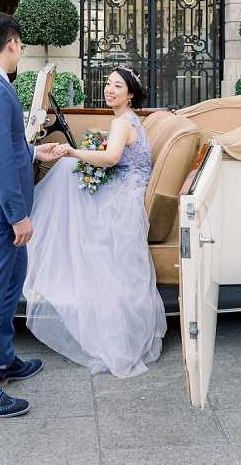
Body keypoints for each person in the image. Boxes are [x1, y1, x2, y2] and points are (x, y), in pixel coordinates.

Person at [24, 67, 167, 377]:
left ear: (130, 94)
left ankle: (45, 249)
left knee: (64, 173)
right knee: (67, 174)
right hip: (128, 187)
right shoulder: (129, 120)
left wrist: (74, 151)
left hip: (126, 197)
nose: (110, 90)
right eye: (108, 84)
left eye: (118, 86)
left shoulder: (122, 122)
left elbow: (113, 158)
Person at [0, 13, 63, 418]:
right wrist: (19, 216)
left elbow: (1, 147)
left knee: (8, 286)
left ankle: (2, 361)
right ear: (13, 44)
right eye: (21, 47)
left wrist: (36, 151)